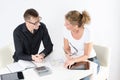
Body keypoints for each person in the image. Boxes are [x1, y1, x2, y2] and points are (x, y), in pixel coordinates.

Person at [13, 8, 53, 79]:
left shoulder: (42, 27)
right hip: (20, 62)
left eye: (39, 20)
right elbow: (19, 54)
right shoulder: (17, 32)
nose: (39, 24)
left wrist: (42, 55)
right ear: (27, 22)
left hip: (35, 62)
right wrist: (32, 57)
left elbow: (49, 46)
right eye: (35, 23)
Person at [63, 10, 100, 80]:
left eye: (67, 24)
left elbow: (86, 55)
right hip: (76, 59)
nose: (64, 25)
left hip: (90, 61)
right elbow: (66, 48)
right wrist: (68, 55)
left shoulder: (88, 32)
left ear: (75, 26)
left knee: (81, 78)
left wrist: (73, 60)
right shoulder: (66, 31)